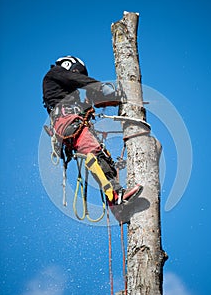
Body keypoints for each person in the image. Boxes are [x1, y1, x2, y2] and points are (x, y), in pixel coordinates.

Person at [42, 55, 142, 212]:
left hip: (71, 122)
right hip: (68, 121)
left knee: (102, 156)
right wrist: (101, 87)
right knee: (94, 153)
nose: (78, 75)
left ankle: (118, 209)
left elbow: (86, 98)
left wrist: (100, 98)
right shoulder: (56, 73)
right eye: (77, 71)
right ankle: (117, 195)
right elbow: (79, 80)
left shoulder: (64, 91)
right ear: (69, 65)